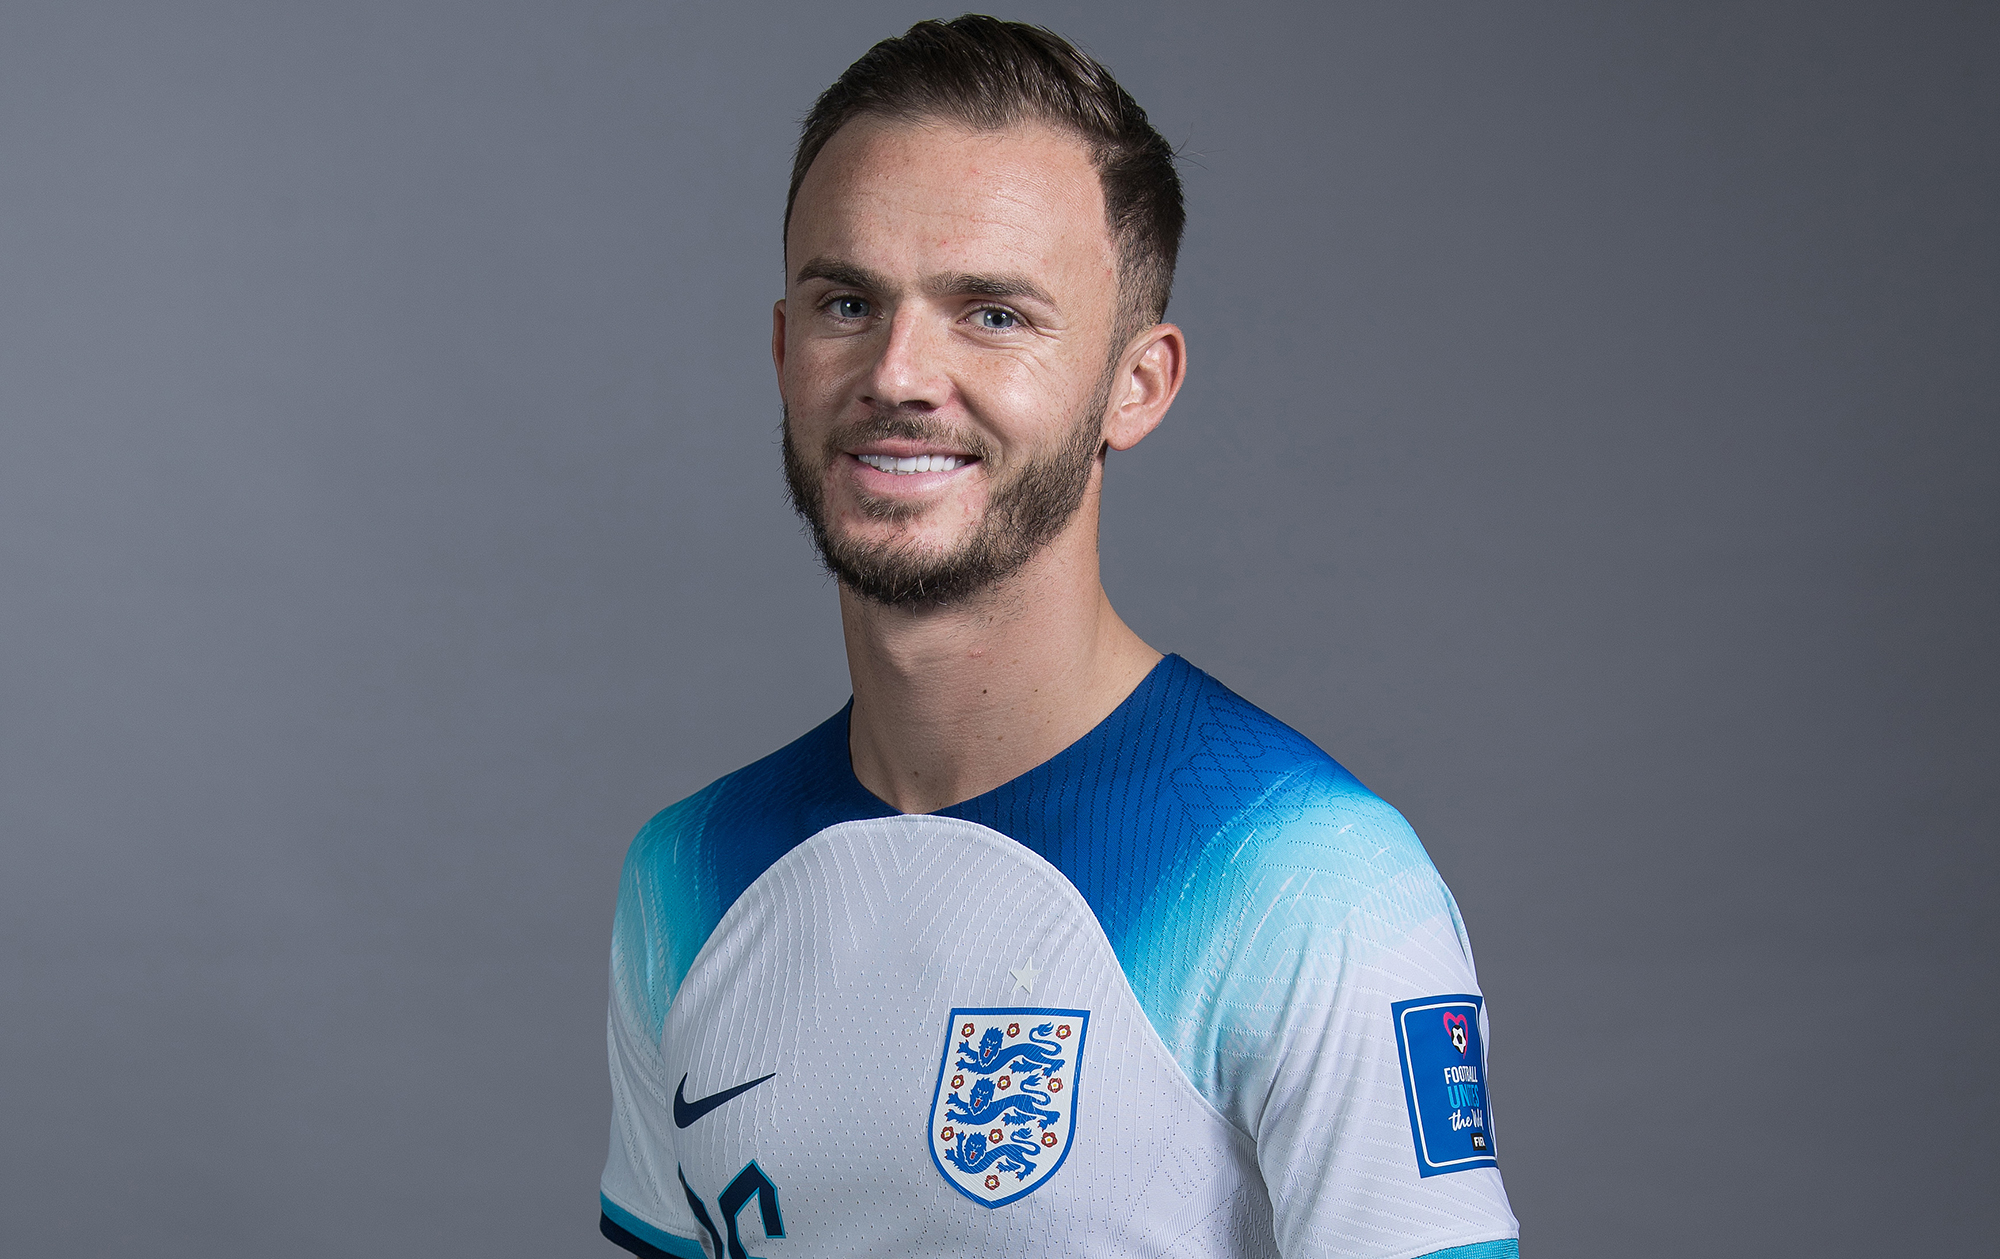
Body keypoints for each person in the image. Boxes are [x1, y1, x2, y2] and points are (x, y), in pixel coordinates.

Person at [599, 16, 1519, 1259]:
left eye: (990, 314)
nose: (899, 373)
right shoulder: (683, 877)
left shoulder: (1310, 884)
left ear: (1134, 384)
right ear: (780, 348)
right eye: (847, 301)